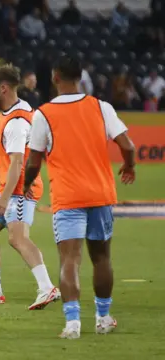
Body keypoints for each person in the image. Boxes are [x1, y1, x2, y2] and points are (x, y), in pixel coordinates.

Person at [23, 56, 136, 339]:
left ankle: (72, 324)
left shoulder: (43, 114)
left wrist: (26, 184)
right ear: (80, 76)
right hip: (100, 194)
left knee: (70, 260)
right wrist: (129, 165)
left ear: (55, 76)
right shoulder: (101, 107)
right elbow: (128, 146)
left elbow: (34, 161)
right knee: (101, 258)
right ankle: (103, 317)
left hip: (67, 196)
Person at [0, 64, 60, 310]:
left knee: (17, 238)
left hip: (20, 189)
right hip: (9, 186)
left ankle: (47, 287)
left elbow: (19, 162)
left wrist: (5, 198)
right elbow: (17, 152)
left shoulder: (16, 121)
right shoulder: (15, 111)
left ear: (4, 88)